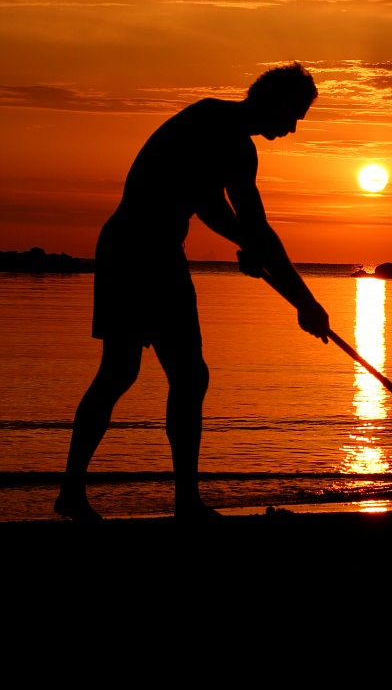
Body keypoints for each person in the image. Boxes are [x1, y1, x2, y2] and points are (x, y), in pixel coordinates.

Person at [55, 62, 330, 523]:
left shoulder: (228, 136)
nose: (294, 126)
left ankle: (184, 501)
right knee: (122, 371)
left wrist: (249, 245)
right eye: (295, 113)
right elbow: (251, 225)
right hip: (133, 248)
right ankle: (76, 492)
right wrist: (305, 302)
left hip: (161, 250)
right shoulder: (221, 132)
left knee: (187, 375)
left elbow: (213, 208)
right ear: (274, 101)